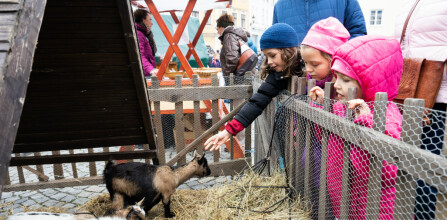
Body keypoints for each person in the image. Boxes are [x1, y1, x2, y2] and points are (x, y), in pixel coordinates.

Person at [309, 35, 403, 219]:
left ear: (371, 81)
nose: (336, 85)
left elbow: (388, 172)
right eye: (336, 77)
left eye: (345, 79)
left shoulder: (387, 116)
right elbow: (324, 139)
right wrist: (321, 107)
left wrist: (365, 124)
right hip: (345, 203)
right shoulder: (340, 108)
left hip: (375, 209)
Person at [204, 23, 304, 151]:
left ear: (289, 51)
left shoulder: (308, 70)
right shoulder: (278, 74)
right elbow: (257, 102)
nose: (269, 62)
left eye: (272, 55)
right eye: (267, 57)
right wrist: (228, 131)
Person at [394, 1, 447, 219]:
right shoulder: (410, 3)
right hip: (406, 89)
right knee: (403, 163)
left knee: (424, 167)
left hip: (436, 96)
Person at [272, 0, 366, 44]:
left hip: (335, 76)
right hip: (291, 78)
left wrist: (340, 61)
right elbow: (275, 43)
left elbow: (358, 35)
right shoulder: (279, 5)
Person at [301, 17, 350, 89]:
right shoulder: (306, 83)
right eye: (305, 62)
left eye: (315, 64)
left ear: (333, 61)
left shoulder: (343, 90)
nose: (308, 69)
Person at [216, 13, 248, 84]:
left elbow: (232, 58)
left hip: (236, 80)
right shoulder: (234, 34)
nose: (218, 32)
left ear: (221, 27)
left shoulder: (228, 35)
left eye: (217, 29)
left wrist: (227, 78)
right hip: (242, 78)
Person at [134, 9, 158, 77]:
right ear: (143, 20)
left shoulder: (143, 34)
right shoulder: (139, 34)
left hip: (146, 73)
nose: (152, 23)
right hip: (145, 75)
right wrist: (151, 70)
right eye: (150, 19)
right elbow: (139, 55)